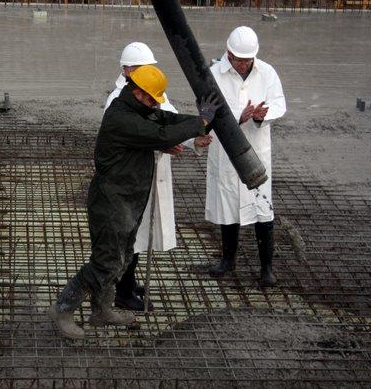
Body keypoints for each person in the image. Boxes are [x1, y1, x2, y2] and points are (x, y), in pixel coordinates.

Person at [48, 65, 221, 339]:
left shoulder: (140, 109)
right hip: (111, 202)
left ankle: (102, 310)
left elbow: (165, 121)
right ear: (138, 92)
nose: (155, 103)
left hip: (129, 199)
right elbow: (160, 135)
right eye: (152, 98)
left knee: (123, 258)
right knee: (105, 262)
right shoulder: (120, 117)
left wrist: (204, 121)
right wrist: (199, 122)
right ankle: (63, 308)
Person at [105, 42, 212, 311]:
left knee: (141, 235)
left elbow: (170, 121)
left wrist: (193, 141)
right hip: (132, 177)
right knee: (132, 234)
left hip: (150, 173)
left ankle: (128, 282)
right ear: (126, 70)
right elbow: (146, 135)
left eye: (148, 69)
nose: (146, 74)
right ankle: (122, 291)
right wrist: (164, 142)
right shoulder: (117, 100)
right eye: (140, 69)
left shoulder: (152, 93)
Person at [205, 26, 286, 286]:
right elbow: (207, 109)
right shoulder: (213, 74)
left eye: (247, 60)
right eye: (238, 59)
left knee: (263, 208)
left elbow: (279, 102)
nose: (242, 65)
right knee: (228, 207)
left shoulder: (267, 72)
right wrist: (238, 118)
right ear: (228, 53)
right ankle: (228, 259)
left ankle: (267, 268)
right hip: (226, 151)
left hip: (256, 151)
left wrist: (263, 115)